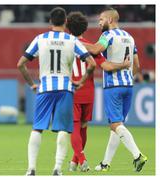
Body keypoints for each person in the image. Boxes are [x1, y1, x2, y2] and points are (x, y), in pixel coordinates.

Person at [17, 7, 96, 176]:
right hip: (65, 89)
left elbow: (21, 64)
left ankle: (31, 169)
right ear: (65, 22)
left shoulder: (40, 39)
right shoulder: (72, 40)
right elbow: (92, 63)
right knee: (63, 129)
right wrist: (81, 82)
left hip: (45, 88)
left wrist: (32, 84)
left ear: (50, 21)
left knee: (37, 128)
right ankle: (57, 169)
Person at [66, 11, 131, 172]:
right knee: (84, 126)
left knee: (74, 127)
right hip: (88, 91)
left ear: (68, 27)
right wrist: (123, 65)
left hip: (72, 89)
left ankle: (81, 159)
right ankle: (74, 162)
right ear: (84, 28)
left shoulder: (65, 44)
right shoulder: (92, 48)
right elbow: (107, 66)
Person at [83, 7, 147, 172]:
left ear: (110, 20)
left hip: (113, 86)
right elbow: (137, 65)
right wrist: (127, 76)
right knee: (117, 125)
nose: (99, 23)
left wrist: (76, 42)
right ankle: (105, 163)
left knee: (115, 124)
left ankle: (137, 155)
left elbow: (97, 49)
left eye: (101, 20)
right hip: (128, 86)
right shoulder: (129, 37)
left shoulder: (107, 36)